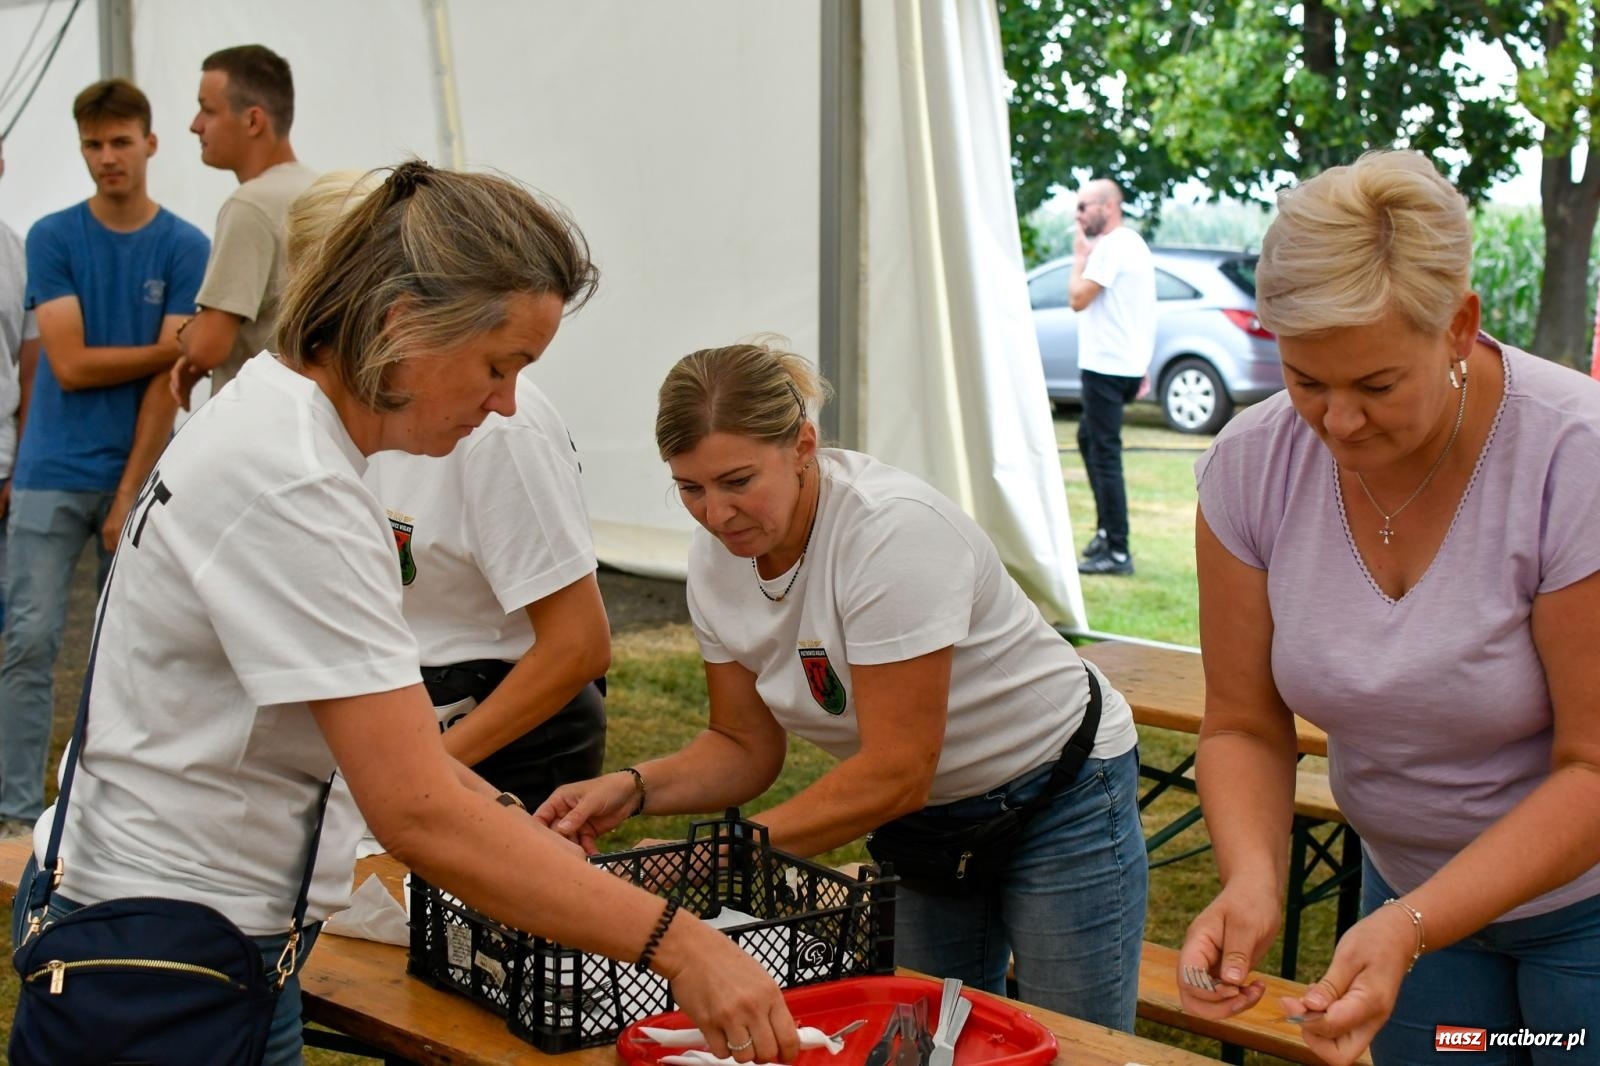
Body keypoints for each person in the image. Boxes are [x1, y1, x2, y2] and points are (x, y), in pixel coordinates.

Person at [11, 163, 799, 1066]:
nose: (505, 402)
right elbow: (413, 808)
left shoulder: (276, 424)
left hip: (183, 930)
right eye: (499, 364)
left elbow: (389, 754)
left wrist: (501, 816)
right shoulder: (296, 484)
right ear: (402, 324)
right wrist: (683, 945)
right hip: (167, 954)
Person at [538, 340, 1148, 1028]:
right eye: (690, 488)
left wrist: (711, 855)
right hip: (925, 821)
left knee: (1072, 1042)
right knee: (921, 1036)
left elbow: (896, 772)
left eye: (738, 481)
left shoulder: (890, 533)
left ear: (803, 445)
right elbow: (742, 746)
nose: (716, 514)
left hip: (1057, 792)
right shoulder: (716, 560)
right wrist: (635, 786)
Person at [1178, 150, 1600, 1066]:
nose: (1337, 424)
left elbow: (1595, 769)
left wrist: (1413, 924)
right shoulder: (1253, 466)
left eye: (1376, 386)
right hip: (1414, 907)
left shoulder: (1574, 459)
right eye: (1304, 381)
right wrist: (1253, 876)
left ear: (1459, 327)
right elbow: (1244, 724)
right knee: (1452, 1053)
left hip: (1584, 926)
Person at [288, 169, 608, 817]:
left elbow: (578, 645)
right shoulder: (323, 420)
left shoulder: (499, 431)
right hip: (407, 717)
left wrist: (424, 770)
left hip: (504, 731)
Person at [0, 80, 208, 833]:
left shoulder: (186, 245)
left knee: (136, 656)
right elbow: (71, 364)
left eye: (121, 141)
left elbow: (173, 387)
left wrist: (128, 493)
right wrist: (173, 344)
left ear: (151, 144)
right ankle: (15, 817)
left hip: (145, 477)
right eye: (93, 144)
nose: (107, 157)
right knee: (27, 642)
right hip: (49, 471)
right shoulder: (53, 236)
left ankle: (107, 820)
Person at [171, 44, 317, 407]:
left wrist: (188, 334)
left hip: (258, 418)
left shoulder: (249, 205)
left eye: (207, 110)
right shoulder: (322, 191)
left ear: (253, 120)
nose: (195, 125)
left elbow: (207, 348)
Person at [1068, 178, 1155, 577]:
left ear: (1108, 206)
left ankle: (1118, 551)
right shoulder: (1134, 244)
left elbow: (1078, 299)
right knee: (1088, 439)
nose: (1078, 215)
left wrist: (1078, 257)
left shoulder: (1111, 247)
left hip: (1105, 367)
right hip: (1124, 365)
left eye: (1085, 206)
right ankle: (1106, 531)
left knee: (1105, 454)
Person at [0, 134, 42, 637]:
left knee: (12, 628)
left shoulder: (18, 255)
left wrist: (20, 467)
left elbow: (31, 372)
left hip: (3, 464)